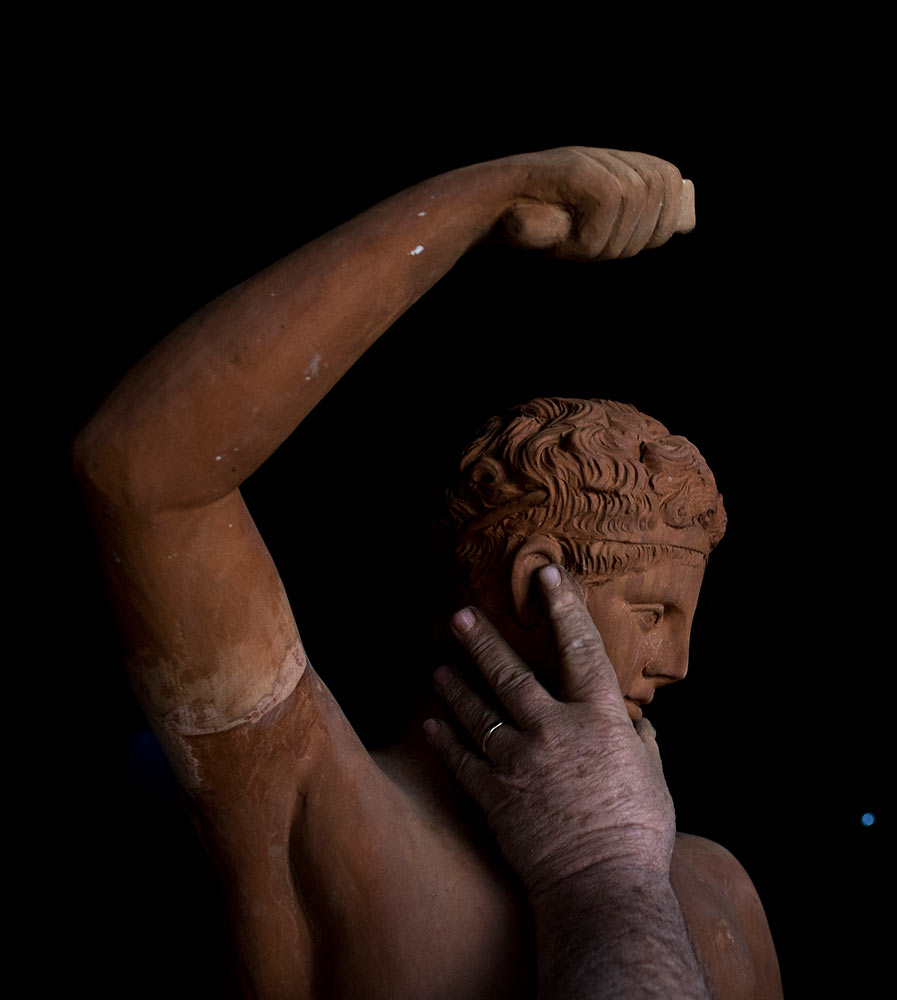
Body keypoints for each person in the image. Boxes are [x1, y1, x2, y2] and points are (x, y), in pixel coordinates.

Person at [73, 147, 781, 999]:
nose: (680, 664)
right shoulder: (337, 829)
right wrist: (487, 198)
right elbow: (143, 477)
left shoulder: (721, 890)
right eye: (654, 611)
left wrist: (610, 874)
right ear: (535, 585)